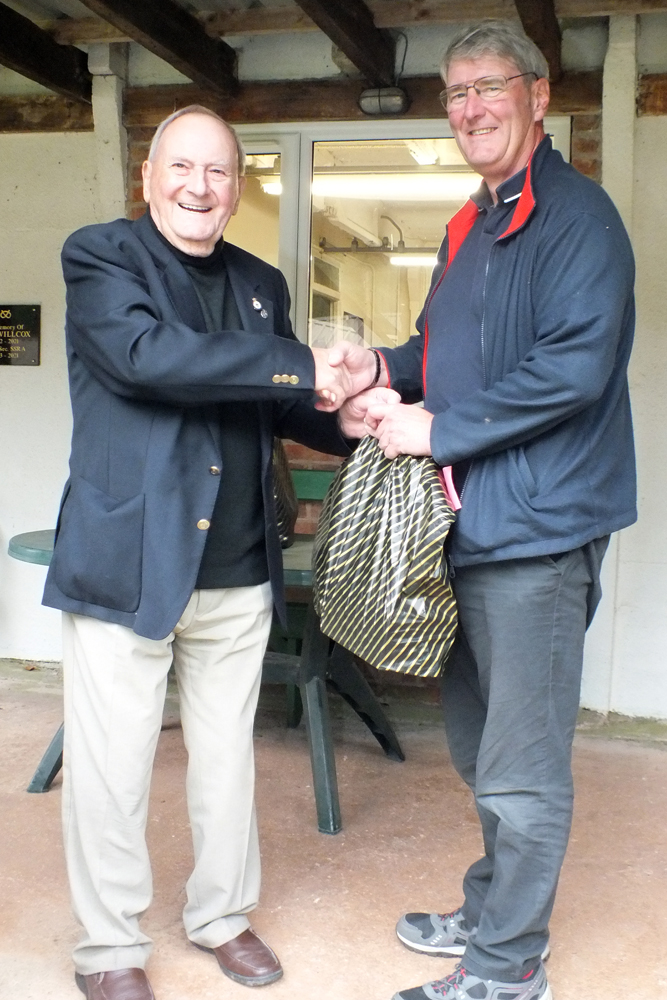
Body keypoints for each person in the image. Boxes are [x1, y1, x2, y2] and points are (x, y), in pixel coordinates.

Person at [334, 20, 636, 1000]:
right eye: (454, 91)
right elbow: (438, 350)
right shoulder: (472, 221)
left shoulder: (578, 221)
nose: (468, 106)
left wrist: (441, 426)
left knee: (520, 765)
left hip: (539, 534)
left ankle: (508, 966)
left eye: (487, 86)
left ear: (537, 96)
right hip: (471, 526)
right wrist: (382, 373)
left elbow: (574, 369)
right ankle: (492, 907)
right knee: (474, 743)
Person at [43, 105, 357, 1000]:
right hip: (128, 559)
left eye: (218, 172)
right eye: (181, 168)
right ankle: (109, 947)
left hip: (237, 563)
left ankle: (221, 915)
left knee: (227, 760)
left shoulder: (261, 281)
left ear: (237, 187)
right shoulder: (102, 256)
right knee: (113, 768)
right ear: (149, 178)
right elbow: (151, 360)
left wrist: (362, 414)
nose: (198, 187)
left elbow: (279, 406)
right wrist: (300, 364)